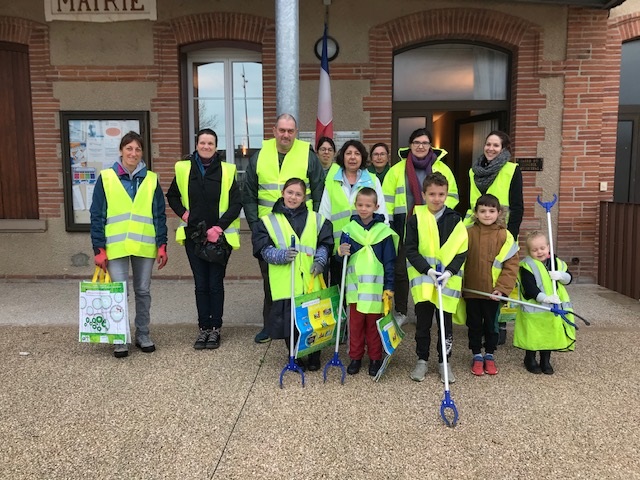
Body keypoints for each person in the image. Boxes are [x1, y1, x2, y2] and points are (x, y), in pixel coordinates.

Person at [243, 114, 325, 344]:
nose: (285, 135)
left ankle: (302, 326)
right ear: (274, 130)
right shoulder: (259, 156)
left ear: (296, 132)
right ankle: (270, 326)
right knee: (271, 280)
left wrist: (316, 225)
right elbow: (248, 192)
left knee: (303, 280)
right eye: (282, 130)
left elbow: (318, 192)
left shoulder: (308, 155)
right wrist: (254, 224)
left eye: (290, 130)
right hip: (268, 230)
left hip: (301, 229)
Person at [90, 131, 168, 358]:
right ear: (121, 151)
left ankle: (143, 334)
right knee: (118, 294)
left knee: (143, 291)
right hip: (115, 247)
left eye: (137, 149)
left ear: (142, 153)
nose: (133, 153)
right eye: (129, 149)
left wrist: (162, 245)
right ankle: (120, 338)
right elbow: (97, 215)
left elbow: (158, 215)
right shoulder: (106, 178)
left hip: (144, 246)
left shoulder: (151, 179)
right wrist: (99, 248)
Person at [166, 128, 242, 350]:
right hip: (194, 236)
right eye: (202, 143)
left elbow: (237, 203)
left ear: (216, 147)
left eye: (210, 143)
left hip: (219, 238)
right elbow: (172, 195)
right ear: (197, 145)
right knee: (201, 284)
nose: (206, 147)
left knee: (215, 284)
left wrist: (219, 228)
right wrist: (185, 215)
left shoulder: (227, 171)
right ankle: (203, 329)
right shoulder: (184, 168)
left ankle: (216, 329)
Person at [251, 178, 333, 371]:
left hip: (311, 281)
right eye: (290, 192)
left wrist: (320, 260)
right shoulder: (267, 221)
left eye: (298, 194)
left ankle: (314, 355)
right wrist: (279, 255)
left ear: (304, 197)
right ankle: (294, 356)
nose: (293, 197)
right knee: (290, 324)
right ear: (283, 193)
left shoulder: (317, 219)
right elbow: (262, 248)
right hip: (286, 283)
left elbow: (325, 243)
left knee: (314, 321)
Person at [383, 128, 458, 327]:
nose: (420, 146)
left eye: (425, 142)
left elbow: (452, 197)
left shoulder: (443, 169)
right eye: (416, 142)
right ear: (410, 145)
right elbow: (386, 200)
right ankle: (401, 311)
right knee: (401, 271)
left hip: (434, 227)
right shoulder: (396, 170)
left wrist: (439, 218)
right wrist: (389, 226)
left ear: (431, 146)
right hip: (402, 226)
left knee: (427, 269)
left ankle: (424, 311)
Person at [405, 172, 467, 383]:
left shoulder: (455, 219)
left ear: (447, 194)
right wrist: (427, 270)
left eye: (441, 194)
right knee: (422, 324)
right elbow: (410, 249)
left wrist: (450, 271)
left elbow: (462, 250)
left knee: (445, 326)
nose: (437, 198)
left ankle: (444, 363)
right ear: (423, 194)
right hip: (425, 281)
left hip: (446, 282)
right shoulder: (415, 219)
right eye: (432, 194)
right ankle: (422, 360)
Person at [466, 131, 524, 345]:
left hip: (502, 232)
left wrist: (512, 236)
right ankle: (478, 326)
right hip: (476, 229)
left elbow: (517, 206)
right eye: (488, 144)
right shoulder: (473, 171)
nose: (490, 148)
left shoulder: (511, 170)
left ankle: (499, 326)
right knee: (479, 274)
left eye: (496, 145)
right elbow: (470, 203)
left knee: (501, 276)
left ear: (504, 148)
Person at [337, 187, 398, 376]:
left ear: (376, 206)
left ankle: (374, 358)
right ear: (355, 205)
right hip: (355, 290)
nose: (364, 209)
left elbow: (389, 262)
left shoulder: (384, 232)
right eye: (360, 205)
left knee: (373, 327)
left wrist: (389, 286)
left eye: (368, 205)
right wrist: (340, 253)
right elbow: (343, 260)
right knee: (355, 327)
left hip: (375, 291)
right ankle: (355, 357)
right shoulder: (348, 230)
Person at [462, 194, 519, 376]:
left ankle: (490, 354)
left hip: (494, 292)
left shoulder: (505, 235)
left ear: (499, 213)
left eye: (491, 211)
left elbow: (511, 265)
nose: (487, 215)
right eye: (483, 211)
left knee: (492, 326)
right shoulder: (467, 232)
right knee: (474, 325)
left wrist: (502, 288)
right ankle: (477, 354)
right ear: (476, 213)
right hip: (471, 290)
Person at [319, 140, 388, 286]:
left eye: (357, 153)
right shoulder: (331, 181)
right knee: (340, 291)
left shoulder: (373, 180)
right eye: (348, 153)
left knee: (363, 291)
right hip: (340, 249)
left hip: (366, 247)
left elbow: (382, 215)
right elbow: (323, 216)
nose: (352, 157)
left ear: (362, 157)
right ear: (342, 157)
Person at [514, 231, 575, 375]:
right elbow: (529, 288)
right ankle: (530, 359)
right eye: (534, 250)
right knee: (533, 335)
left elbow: (569, 279)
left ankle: (545, 361)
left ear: (548, 247)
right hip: (534, 308)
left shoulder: (557, 263)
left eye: (542, 248)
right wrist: (544, 298)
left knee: (548, 334)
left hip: (554, 308)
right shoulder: (527, 266)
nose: (539, 252)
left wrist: (561, 275)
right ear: (529, 252)